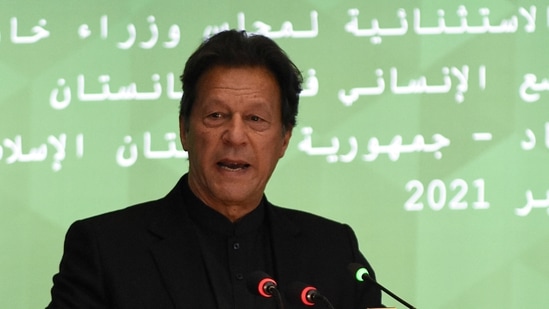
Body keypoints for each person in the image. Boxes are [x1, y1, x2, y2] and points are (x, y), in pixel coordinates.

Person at [47, 30, 383, 309]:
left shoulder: (334, 251)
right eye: (216, 116)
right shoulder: (106, 248)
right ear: (184, 130)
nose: (235, 136)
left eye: (256, 119)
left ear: (284, 140)